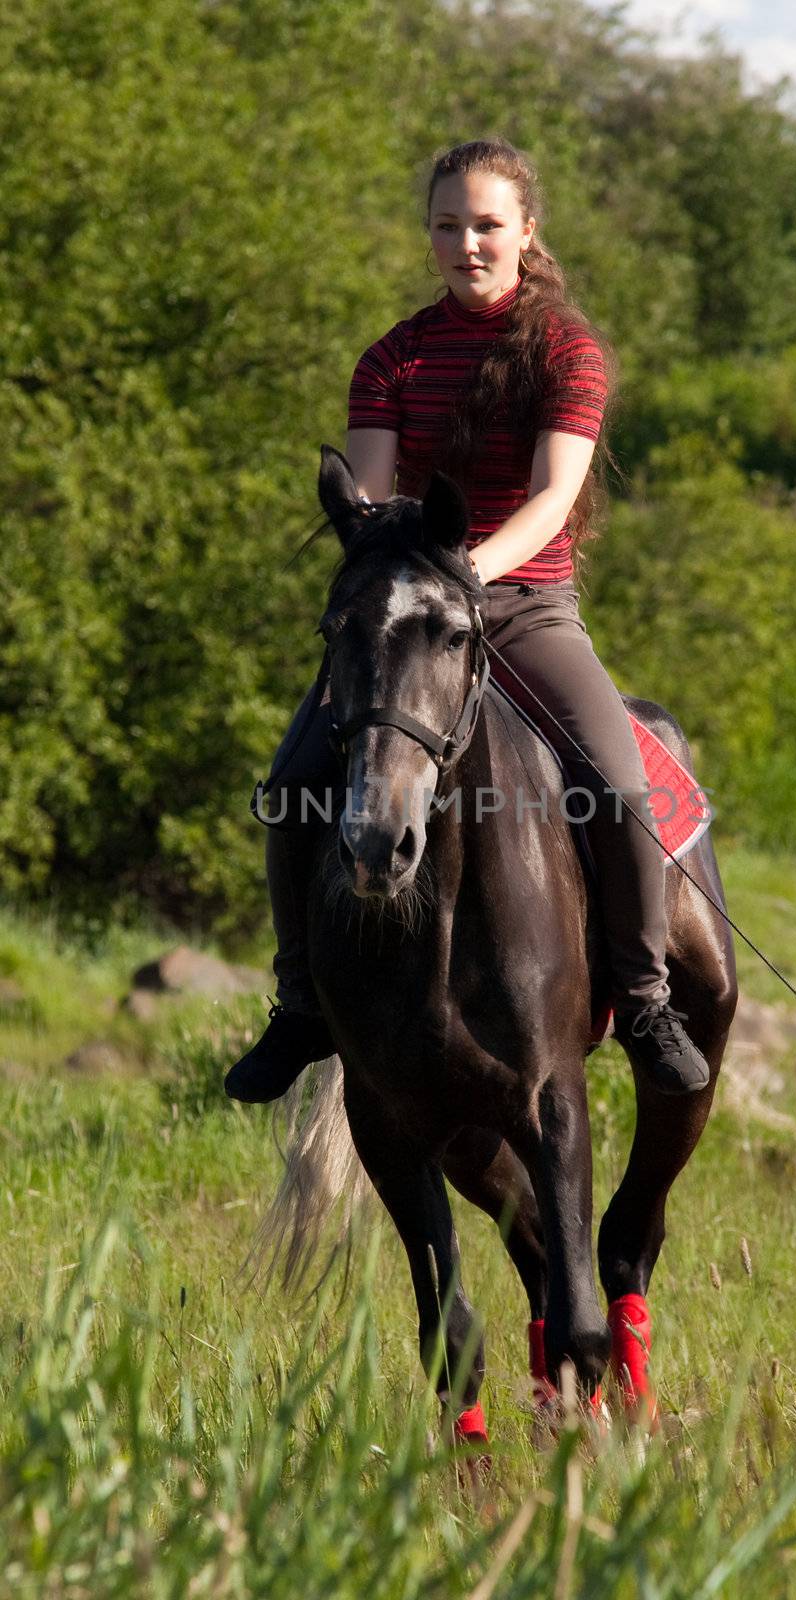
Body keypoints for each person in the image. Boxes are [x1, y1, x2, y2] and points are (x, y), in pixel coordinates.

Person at [225, 137, 709, 1104]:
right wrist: (383, 557)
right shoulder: (392, 356)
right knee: (292, 783)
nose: (467, 243)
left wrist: (466, 574)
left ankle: (647, 999)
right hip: (409, 615)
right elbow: (367, 495)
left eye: (487, 224)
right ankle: (299, 1004)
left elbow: (551, 499)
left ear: (526, 232)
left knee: (619, 784)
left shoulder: (567, 351)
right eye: (448, 225)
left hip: (525, 602)